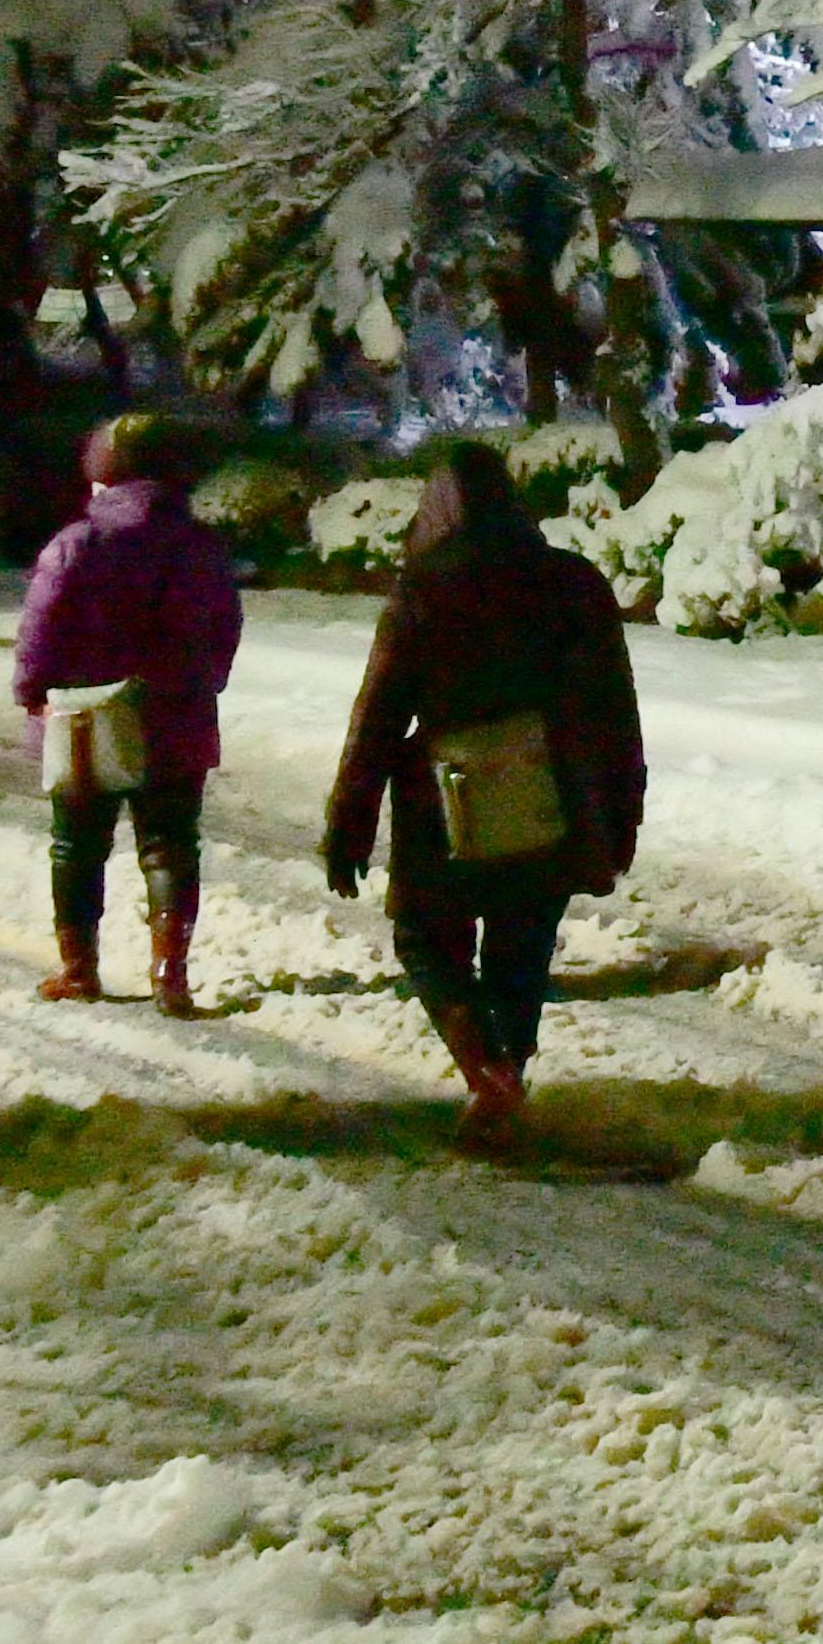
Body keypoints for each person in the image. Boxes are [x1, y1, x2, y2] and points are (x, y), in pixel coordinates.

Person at [324, 440, 643, 1150]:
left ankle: (487, 1075)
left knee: (426, 938)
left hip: (445, 802)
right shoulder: (574, 583)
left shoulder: (423, 589)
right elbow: (614, 709)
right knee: (522, 943)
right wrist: (620, 811)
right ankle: (509, 1077)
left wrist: (349, 818)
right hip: (550, 793)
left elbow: (376, 716)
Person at [9, 410, 247, 1013]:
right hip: (175, 714)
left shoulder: (78, 543)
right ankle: (171, 973)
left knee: (77, 846)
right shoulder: (199, 546)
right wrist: (203, 682)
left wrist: (32, 691)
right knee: (169, 845)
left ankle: (79, 967)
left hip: (87, 719)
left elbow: (41, 626)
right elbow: (225, 626)